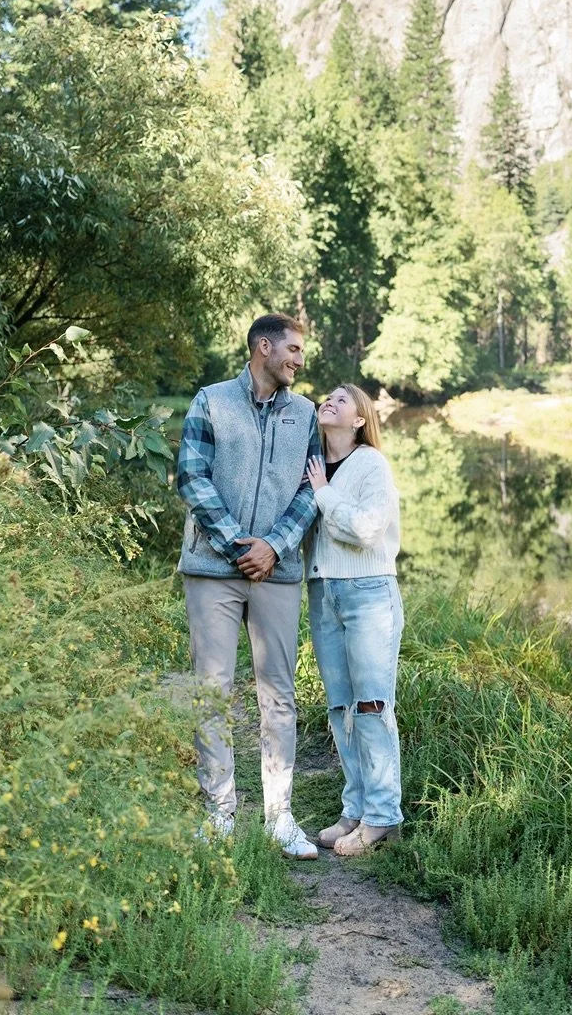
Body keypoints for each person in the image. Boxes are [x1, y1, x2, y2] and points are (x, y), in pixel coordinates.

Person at [176, 313, 320, 860]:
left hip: (276, 573)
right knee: (211, 691)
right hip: (212, 570)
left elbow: (312, 489)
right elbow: (192, 476)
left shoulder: (306, 414)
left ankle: (280, 818)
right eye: (293, 350)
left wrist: (273, 547)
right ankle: (219, 813)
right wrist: (239, 544)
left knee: (278, 695)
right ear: (264, 347)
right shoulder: (210, 401)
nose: (299, 360)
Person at [305, 384, 404, 856]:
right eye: (327, 397)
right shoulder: (313, 463)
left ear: (360, 419)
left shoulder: (371, 464)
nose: (329, 400)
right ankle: (356, 808)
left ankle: (382, 817)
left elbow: (367, 530)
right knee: (340, 707)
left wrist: (324, 495)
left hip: (368, 594)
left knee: (371, 706)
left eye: (341, 399)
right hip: (323, 592)